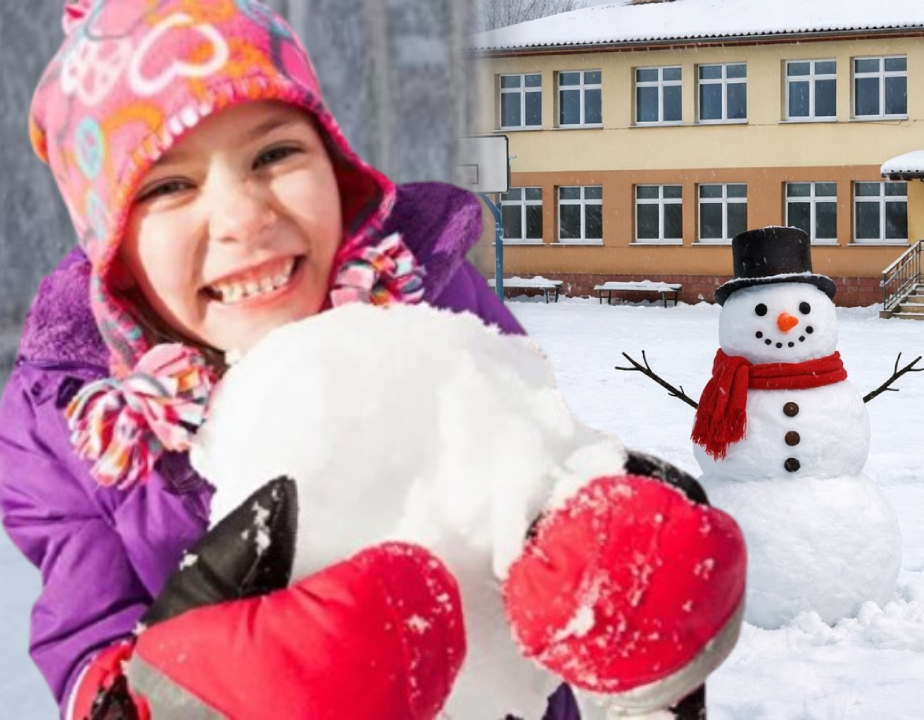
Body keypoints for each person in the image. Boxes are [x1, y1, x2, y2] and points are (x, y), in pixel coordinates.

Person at [3, 2, 744, 718]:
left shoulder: (425, 296)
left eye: (274, 153)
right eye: (169, 185)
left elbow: (540, 465)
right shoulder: (70, 429)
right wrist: (171, 699)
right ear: (112, 249)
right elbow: (85, 640)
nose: (244, 217)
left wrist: (631, 576)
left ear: (337, 164)